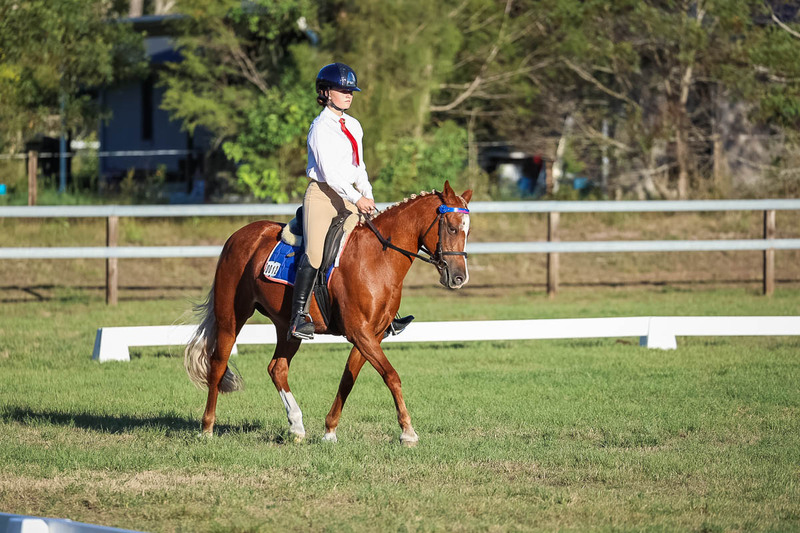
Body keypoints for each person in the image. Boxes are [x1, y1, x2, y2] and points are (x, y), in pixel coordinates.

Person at [289, 62, 377, 340]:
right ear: (326, 92)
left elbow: (358, 167)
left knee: (372, 242)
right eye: (342, 90)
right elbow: (329, 173)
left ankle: (383, 314)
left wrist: (368, 195)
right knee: (314, 253)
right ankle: (299, 315)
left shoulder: (353, 125)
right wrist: (356, 198)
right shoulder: (320, 128)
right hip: (323, 195)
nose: (349, 94)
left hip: (350, 195)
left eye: (351, 90)